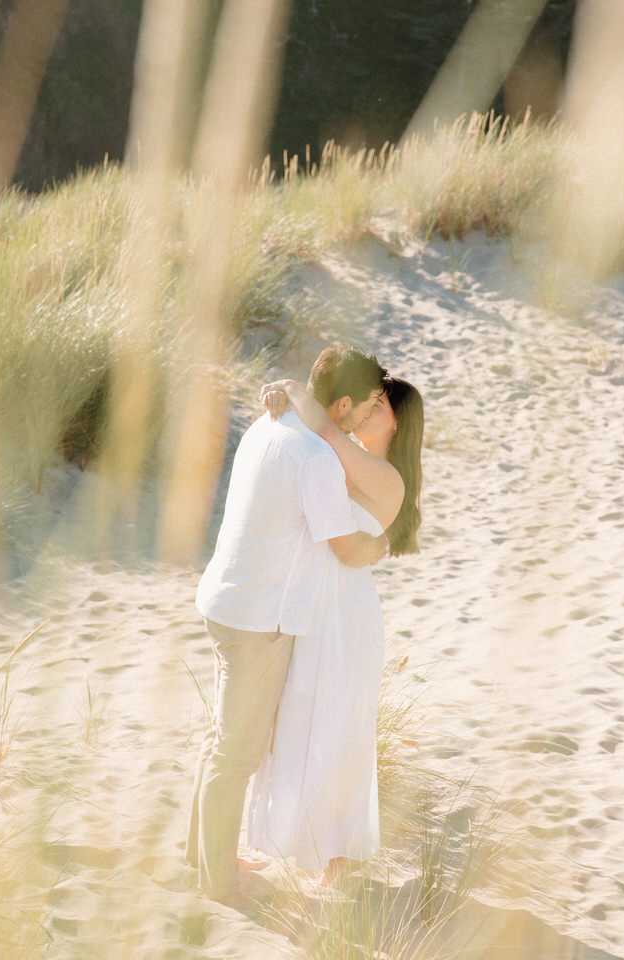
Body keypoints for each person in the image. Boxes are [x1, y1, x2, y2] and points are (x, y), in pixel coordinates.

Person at [186, 345, 390, 908]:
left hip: (227, 599)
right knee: (238, 749)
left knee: (222, 739)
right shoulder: (316, 457)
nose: (371, 414)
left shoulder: (267, 424)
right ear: (342, 404)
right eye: (368, 404)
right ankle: (217, 878)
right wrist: (385, 542)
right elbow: (344, 544)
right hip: (258, 617)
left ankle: (204, 854)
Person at [244, 374, 425, 885]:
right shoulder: (342, 459)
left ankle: (336, 861)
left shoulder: (384, 474)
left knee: (339, 730)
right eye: (370, 401)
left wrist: (292, 389)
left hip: (346, 614)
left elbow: (325, 431)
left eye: (382, 406)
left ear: (400, 422)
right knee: (294, 721)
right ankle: (282, 840)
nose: (369, 411)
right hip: (312, 602)